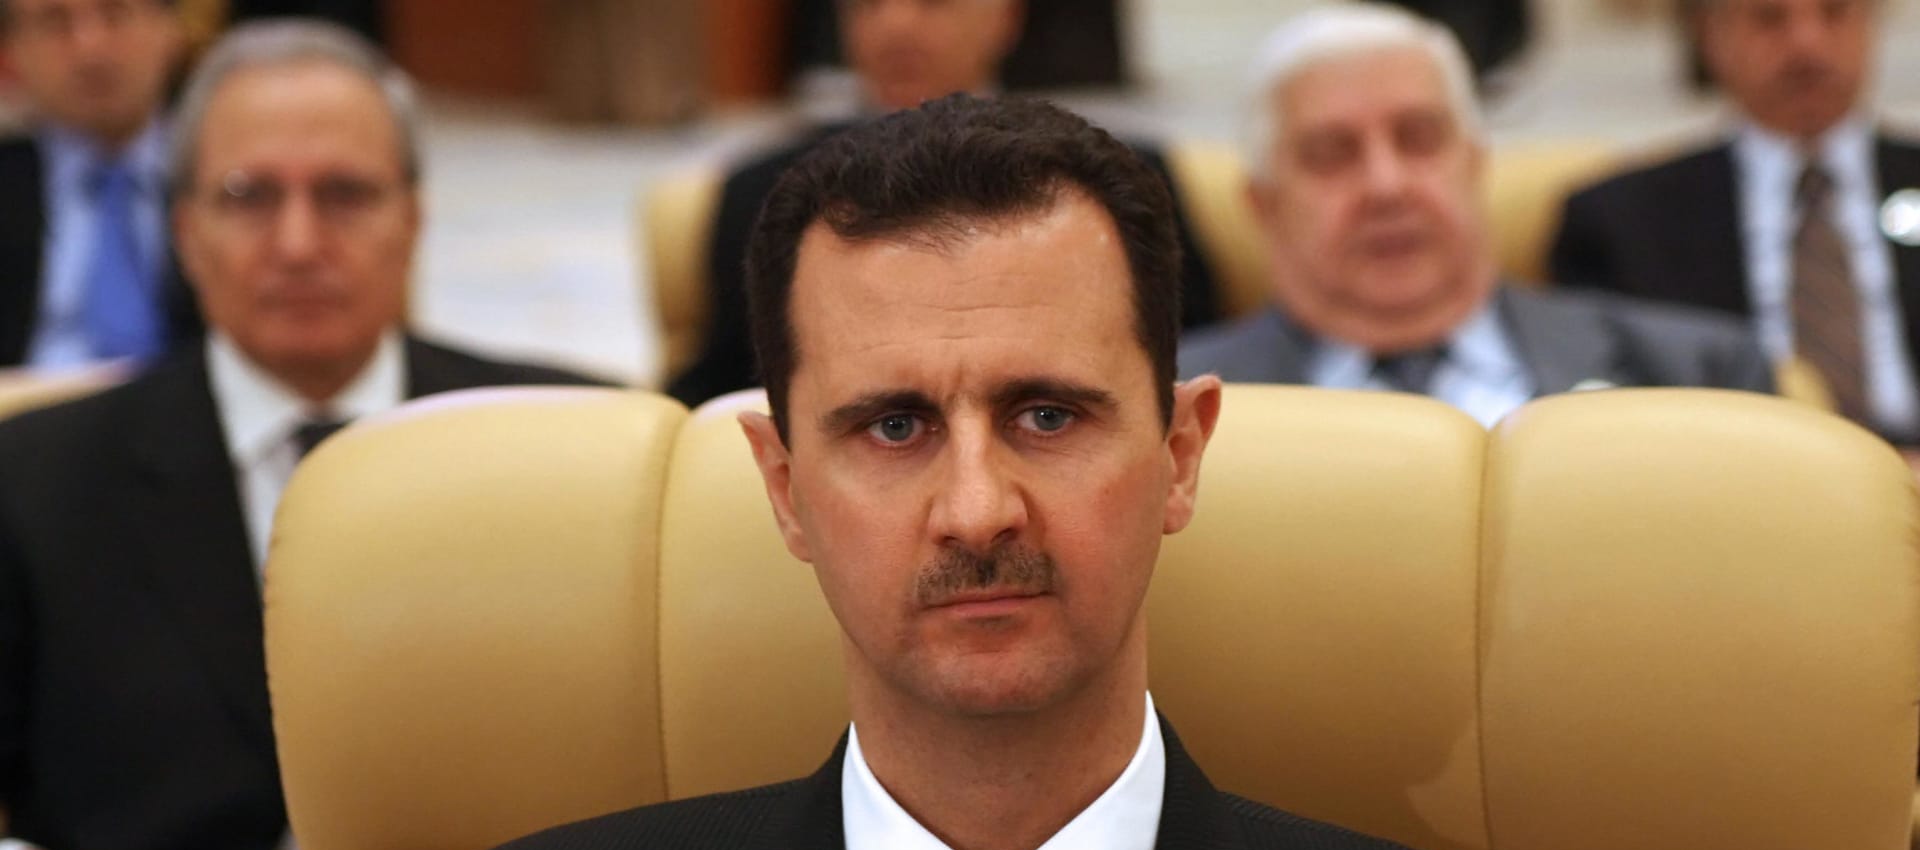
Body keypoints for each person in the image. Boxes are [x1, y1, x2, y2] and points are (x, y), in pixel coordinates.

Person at [303, 93, 1660, 850]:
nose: (974, 508)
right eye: (892, 426)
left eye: (1047, 415)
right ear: (782, 487)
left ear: (1182, 452)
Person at [0, 20, 600, 850]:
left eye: (343, 194)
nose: (296, 239)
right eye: (247, 196)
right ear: (183, 228)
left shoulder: (578, 450)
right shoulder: (38, 479)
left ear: (413, 217)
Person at [1180, 3, 1773, 423]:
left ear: (1475, 164)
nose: (1386, 186)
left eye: (1419, 138)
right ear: (1263, 204)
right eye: (1332, 154)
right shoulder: (1172, 408)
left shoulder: (1700, 374)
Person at [665, 0, 1221, 408]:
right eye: (869, 5)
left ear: (1006, 17)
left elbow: (1198, 358)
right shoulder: (759, 192)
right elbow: (719, 388)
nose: (896, 25)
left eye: (933, 2)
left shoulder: (1120, 180)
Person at [1549, 0, 1919, 447]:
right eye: (1768, 18)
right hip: (1732, 469)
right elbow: (1599, 408)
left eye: (1834, 12)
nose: (1807, 44)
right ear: (1711, 38)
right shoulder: (1621, 220)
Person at [0, 0, 200, 367]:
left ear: (171, 28)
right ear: (12, 49)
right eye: (54, 22)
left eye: (115, 13)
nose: (90, 47)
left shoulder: (224, 173)